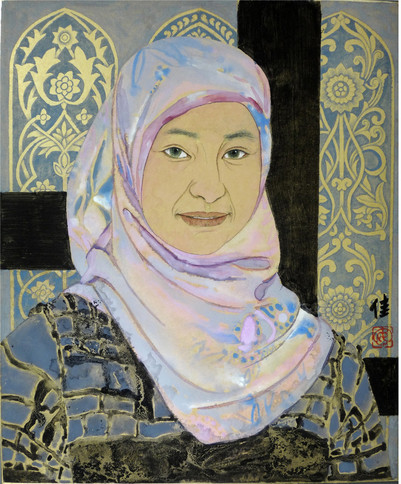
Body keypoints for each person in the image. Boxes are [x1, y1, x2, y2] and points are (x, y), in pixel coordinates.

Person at [1, 37, 390, 483]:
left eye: (235, 153)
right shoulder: (45, 356)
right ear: (126, 159)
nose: (209, 188)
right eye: (176, 151)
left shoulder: (328, 365)